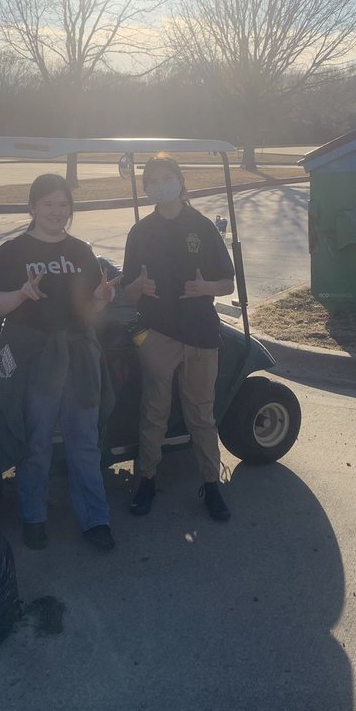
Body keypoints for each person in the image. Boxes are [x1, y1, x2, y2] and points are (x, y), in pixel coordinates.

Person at [0, 173, 119, 551]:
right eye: (48, 204)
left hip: (77, 355)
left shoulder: (81, 252)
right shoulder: (10, 252)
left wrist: (102, 300)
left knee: (84, 440)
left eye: (63, 205)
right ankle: (33, 516)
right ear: (32, 206)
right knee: (36, 440)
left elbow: (88, 311)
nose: (57, 212)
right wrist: (21, 295)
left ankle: (96, 519)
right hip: (34, 358)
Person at [122, 154, 236, 522]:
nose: (159, 185)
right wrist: (137, 286)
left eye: (166, 177)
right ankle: (147, 480)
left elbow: (227, 281)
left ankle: (211, 484)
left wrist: (207, 287)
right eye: (152, 181)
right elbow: (127, 292)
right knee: (154, 411)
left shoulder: (202, 227)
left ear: (180, 181)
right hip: (156, 334)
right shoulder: (140, 232)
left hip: (201, 333)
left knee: (201, 414)